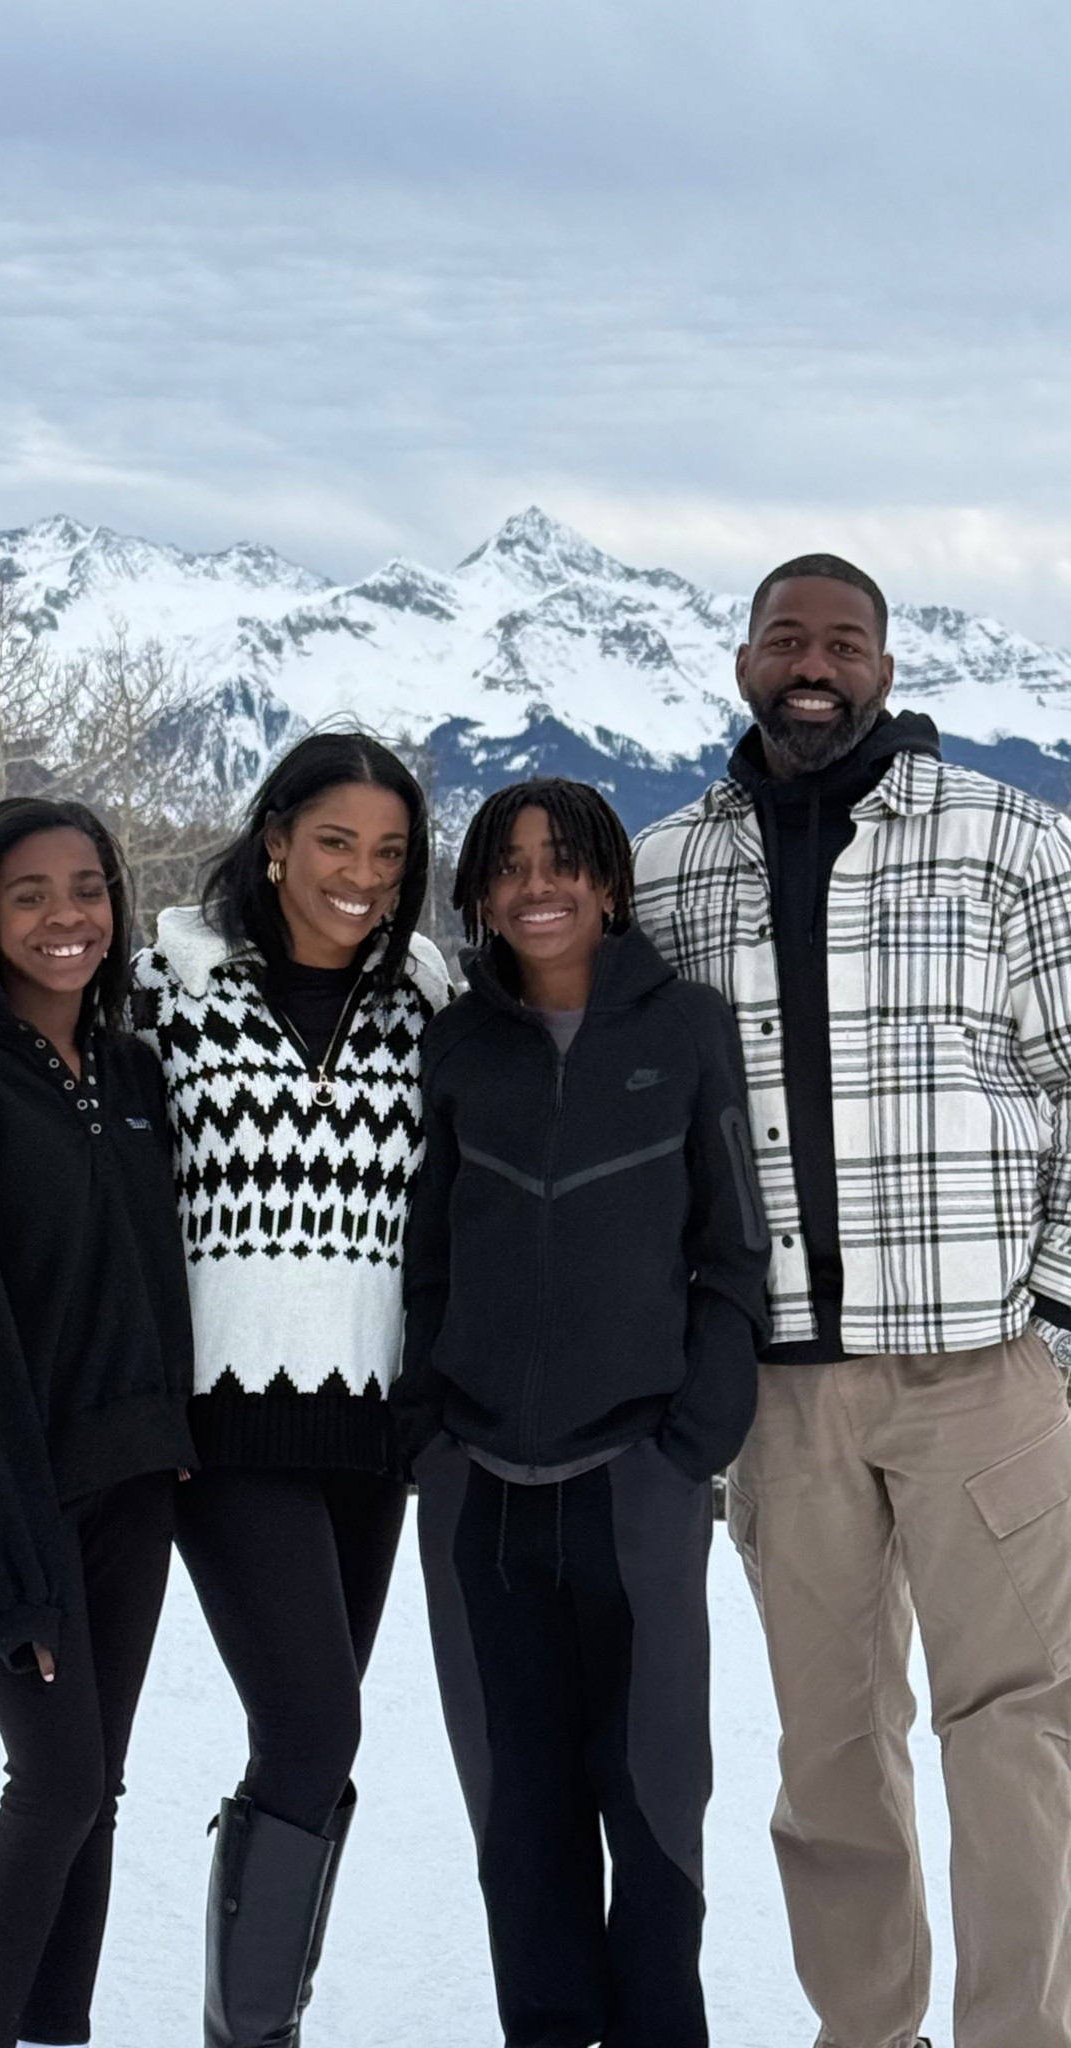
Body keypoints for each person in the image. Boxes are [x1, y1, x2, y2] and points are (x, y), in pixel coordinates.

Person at [633, 552, 1071, 2048]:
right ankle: (866, 2032)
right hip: (780, 1390)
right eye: (787, 638)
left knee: (1016, 1729)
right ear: (744, 658)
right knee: (829, 1751)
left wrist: (1056, 1318)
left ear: (886, 665)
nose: (813, 664)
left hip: (979, 1370)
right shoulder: (668, 866)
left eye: (844, 642)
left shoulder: (1012, 838)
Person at [391, 777, 770, 2048]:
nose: (536, 885)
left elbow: (734, 1250)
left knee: (655, 1801)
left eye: (563, 860)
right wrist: (431, 1430)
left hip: (637, 1478)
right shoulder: (460, 1045)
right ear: (479, 895)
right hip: (477, 1486)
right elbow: (428, 1255)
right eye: (508, 865)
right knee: (518, 1815)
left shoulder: (688, 1026)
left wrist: (692, 1441)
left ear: (609, 881)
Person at [131, 730, 449, 2048]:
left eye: (388, 852)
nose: (360, 874)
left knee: (317, 1743)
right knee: (312, 1728)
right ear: (274, 840)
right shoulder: (168, 988)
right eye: (333, 841)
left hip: (369, 1429)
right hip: (224, 1422)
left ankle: (261, 2021)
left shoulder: (426, 1003)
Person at [0, 797, 195, 2048]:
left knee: (100, 1786)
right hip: (13, 1493)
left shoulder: (131, 1071)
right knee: (57, 1782)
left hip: (136, 1477)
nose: (66, 916)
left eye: (88, 889)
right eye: (30, 894)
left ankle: (56, 2029)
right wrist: (3, 1553)